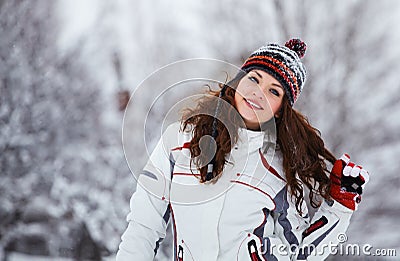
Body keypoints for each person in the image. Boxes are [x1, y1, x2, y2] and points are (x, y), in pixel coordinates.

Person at [116, 38, 369, 260]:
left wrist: (339, 206)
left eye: (273, 91)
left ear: (281, 108)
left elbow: (299, 254)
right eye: (254, 79)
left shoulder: (281, 168)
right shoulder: (180, 141)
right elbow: (143, 226)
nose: (258, 92)